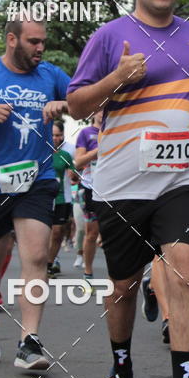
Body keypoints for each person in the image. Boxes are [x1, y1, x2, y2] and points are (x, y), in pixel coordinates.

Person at [67, 0, 189, 378]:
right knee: (125, 286)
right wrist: (115, 77)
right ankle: (121, 369)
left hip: (183, 178)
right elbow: (75, 105)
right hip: (122, 181)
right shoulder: (110, 36)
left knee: (186, 268)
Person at [0, 18, 69, 368]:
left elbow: (84, 101)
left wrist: (64, 106)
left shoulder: (52, 75)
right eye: (34, 42)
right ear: (12, 40)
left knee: (37, 257)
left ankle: (30, 341)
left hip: (35, 181)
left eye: (43, 42)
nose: (41, 48)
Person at [74, 110, 103, 283]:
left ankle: (119, 277)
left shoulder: (115, 130)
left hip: (114, 188)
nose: (102, 113)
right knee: (92, 233)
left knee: (114, 232)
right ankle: (88, 272)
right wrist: (99, 149)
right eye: (100, 109)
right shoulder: (86, 133)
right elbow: (78, 162)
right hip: (91, 188)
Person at [47, 119, 78, 277]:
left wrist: (74, 175)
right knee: (44, 233)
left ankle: (49, 264)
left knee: (57, 232)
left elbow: (75, 176)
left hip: (61, 198)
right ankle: (40, 262)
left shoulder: (65, 154)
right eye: (53, 135)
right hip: (42, 198)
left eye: (59, 135)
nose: (56, 138)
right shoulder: (40, 151)